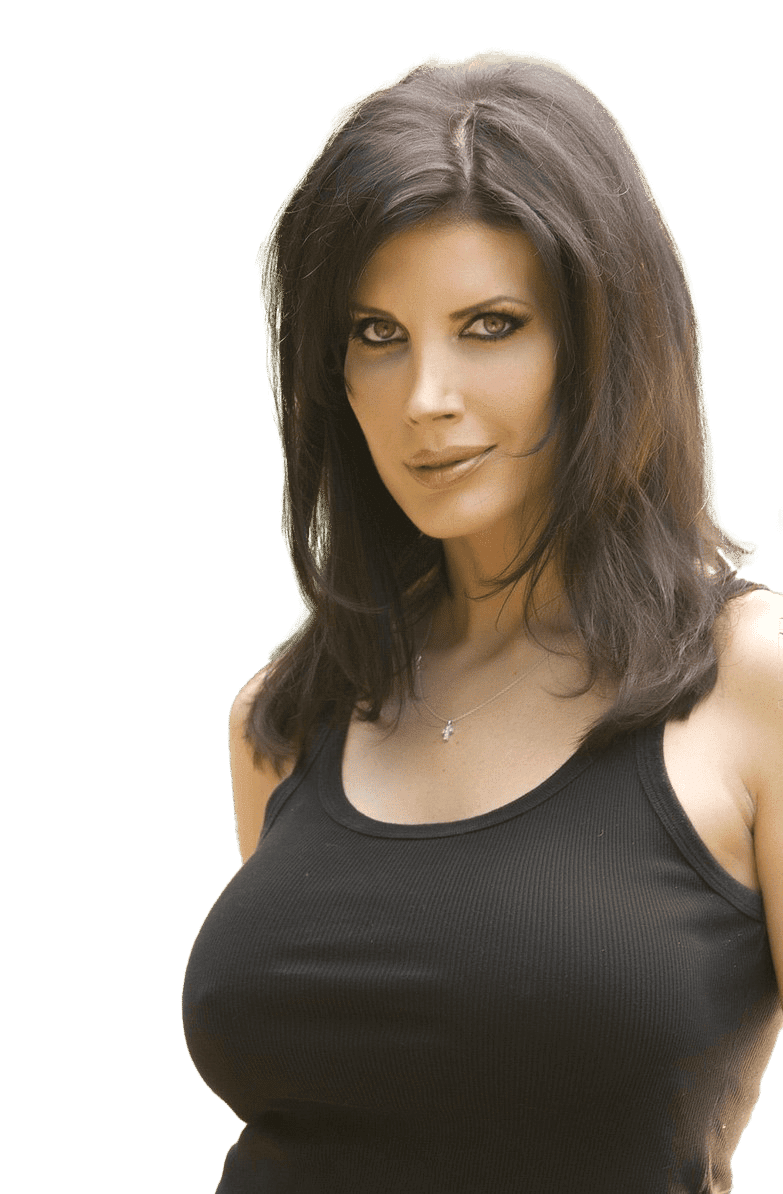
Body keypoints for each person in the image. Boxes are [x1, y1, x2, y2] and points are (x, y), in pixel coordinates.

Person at [182, 51, 782, 1191]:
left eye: (491, 324)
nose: (426, 399)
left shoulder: (754, 682)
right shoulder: (288, 720)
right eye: (376, 334)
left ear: (604, 341)